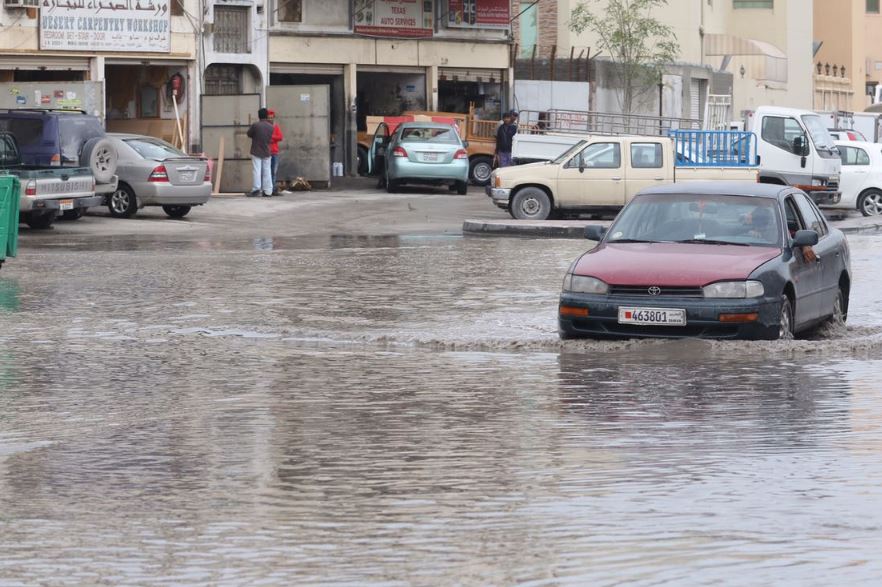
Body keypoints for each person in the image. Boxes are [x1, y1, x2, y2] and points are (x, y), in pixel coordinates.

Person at [245, 107, 274, 197]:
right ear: (266, 116)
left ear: (259, 116)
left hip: (256, 150)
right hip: (267, 151)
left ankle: (256, 189)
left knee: (257, 171)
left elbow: (249, 134)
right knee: (267, 171)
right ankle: (268, 191)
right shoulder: (271, 126)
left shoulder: (255, 125)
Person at [267, 109, 284, 195]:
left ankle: (273, 188)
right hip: (266, 153)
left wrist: (271, 137)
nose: (270, 119)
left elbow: (280, 137)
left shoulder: (275, 127)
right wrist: (273, 138)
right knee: (267, 172)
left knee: (273, 171)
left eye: (271, 117)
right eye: (269, 118)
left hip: (274, 152)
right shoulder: (265, 127)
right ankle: (268, 189)